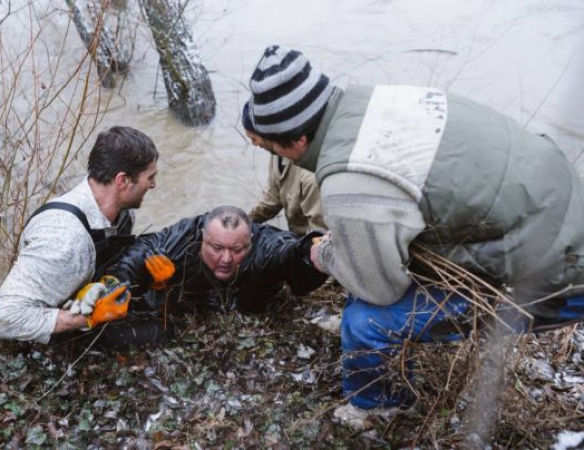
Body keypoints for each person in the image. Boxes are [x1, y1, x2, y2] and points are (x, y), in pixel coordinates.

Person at [245, 45, 584, 425]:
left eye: (271, 145)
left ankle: (380, 407)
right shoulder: (370, 101)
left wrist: (323, 255)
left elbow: (380, 291)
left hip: (562, 272)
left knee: (365, 322)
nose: (273, 152)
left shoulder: (348, 181)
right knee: (365, 248)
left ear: (297, 142)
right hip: (564, 200)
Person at [0, 126, 170, 347]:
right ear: (122, 181)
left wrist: (152, 283)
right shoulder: (64, 240)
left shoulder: (123, 210)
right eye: (149, 177)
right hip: (49, 334)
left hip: (86, 295)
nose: (153, 184)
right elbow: (2, 320)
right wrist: (88, 318)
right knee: (158, 334)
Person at [103, 205, 329, 316]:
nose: (227, 259)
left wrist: (312, 254)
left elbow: (289, 253)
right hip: (192, 314)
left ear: (250, 239)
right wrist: (116, 282)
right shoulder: (183, 238)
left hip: (253, 312)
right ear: (203, 237)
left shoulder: (265, 244)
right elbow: (140, 251)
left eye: (238, 249)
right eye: (217, 248)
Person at [242, 101, 326, 237]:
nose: (253, 144)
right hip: (297, 237)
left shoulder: (312, 177)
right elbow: (273, 194)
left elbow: (320, 234)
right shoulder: (277, 151)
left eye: (254, 138)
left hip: (312, 244)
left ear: (268, 133)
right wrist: (244, 222)